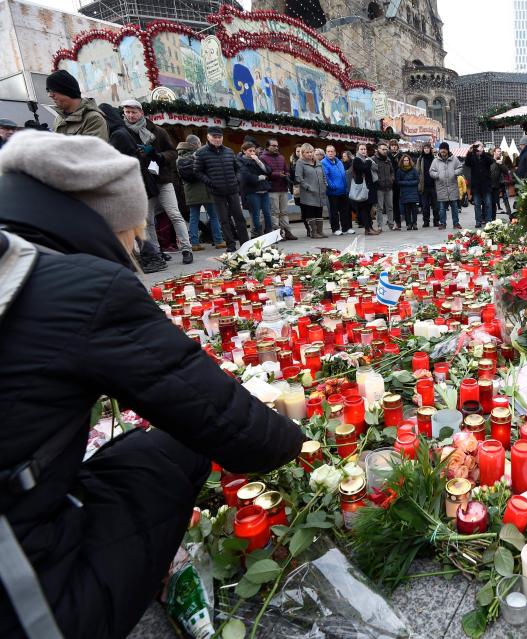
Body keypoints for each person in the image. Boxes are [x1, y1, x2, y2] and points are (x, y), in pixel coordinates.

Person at [0, 130, 304, 639]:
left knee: (127, 450)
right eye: (134, 235)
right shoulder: (80, 289)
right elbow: (227, 423)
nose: (137, 248)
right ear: (106, 222)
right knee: (174, 449)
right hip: (24, 604)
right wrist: (297, 436)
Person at [121, 99, 192, 264]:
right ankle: (157, 252)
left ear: (141, 113)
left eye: (134, 112)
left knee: (174, 213)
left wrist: (157, 155)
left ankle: (187, 248)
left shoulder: (157, 131)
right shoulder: (122, 132)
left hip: (162, 179)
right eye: (127, 112)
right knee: (148, 220)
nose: (130, 115)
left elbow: (173, 153)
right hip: (143, 182)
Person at [99, 103, 166, 274]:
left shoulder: (118, 135)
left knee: (132, 226)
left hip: (129, 186)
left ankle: (152, 258)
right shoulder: (121, 132)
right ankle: (147, 258)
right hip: (133, 184)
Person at [194, 126, 249, 251]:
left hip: (233, 190)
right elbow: (197, 172)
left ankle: (245, 244)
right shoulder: (201, 152)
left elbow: (239, 168)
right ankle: (231, 246)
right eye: (215, 137)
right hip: (217, 192)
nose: (217, 139)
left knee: (239, 218)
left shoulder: (229, 151)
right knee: (224, 220)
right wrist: (210, 182)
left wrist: (237, 179)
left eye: (220, 137)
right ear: (208, 137)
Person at [176, 134, 225, 251]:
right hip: (205, 189)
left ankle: (194, 243)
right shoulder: (199, 154)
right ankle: (218, 240)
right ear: (195, 144)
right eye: (199, 143)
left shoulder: (179, 157)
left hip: (190, 191)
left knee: (194, 218)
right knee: (214, 216)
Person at [45, 69, 108, 141]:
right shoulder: (59, 118)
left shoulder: (93, 119)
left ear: (66, 91)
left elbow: (91, 151)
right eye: (48, 91)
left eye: (52, 91)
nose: (50, 95)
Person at [260, 138, 297, 240]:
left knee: (284, 212)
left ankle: (287, 231)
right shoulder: (262, 158)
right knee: (274, 212)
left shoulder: (281, 157)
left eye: (277, 146)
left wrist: (287, 174)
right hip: (272, 189)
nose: (276, 147)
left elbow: (286, 169)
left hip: (283, 188)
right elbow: (264, 173)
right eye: (273, 146)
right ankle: (277, 233)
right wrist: (277, 174)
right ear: (268, 146)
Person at [295, 143, 329, 238]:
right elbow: (298, 177)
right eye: (307, 152)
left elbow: (323, 175)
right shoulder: (300, 162)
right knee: (310, 212)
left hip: (320, 192)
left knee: (319, 211)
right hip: (308, 193)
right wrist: (307, 187)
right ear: (303, 153)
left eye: (311, 152)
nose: (310, 154)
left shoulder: (318, 162)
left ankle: (320, 231)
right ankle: (313, 232)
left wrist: (325, 184)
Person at [238, 141, 273, 236]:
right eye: (250, 151)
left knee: (267, 213)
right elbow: (246, 176)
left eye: (254, 150)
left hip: (264, 190)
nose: (253, 153)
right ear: (244, 151)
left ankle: (270, 233)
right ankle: (259, 234)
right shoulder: (240, 161)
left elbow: (268, 171)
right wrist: (260, 177)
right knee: (255, 215)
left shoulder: (258, 159)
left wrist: (258, 161)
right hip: (252, 191)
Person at [430, 141, 463, 230]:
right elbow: (431, 172)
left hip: (452, 187)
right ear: (439, 150)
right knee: (441, 208)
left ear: (448, 150)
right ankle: (442, 223)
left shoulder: (454, 159)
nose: (443, 151)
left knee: (455, 208)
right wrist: (437, 175)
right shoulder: (435, 161)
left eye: (445, 149)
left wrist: (454, 173)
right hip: (441, 188)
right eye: (441, 149)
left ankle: (456, 223)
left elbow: (460, 168)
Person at [321, 145, 353, 235]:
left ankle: (345, 228)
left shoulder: (339, 162)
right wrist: (332, 186)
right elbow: (326, 177)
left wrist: (345, 186)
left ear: (335, 152)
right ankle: (335, 229)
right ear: (326, 153)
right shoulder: (323, 163)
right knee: (334, 211)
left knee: (345, 210)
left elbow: (343, 175)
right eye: (328, 151)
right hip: (333, 191)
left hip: (343, 190)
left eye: (332, 151)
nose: (330, 153)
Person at [350, 144, 380, 236]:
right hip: (362, 188)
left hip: (369, 187)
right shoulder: (357, 160)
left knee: (369, 209)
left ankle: (370, 227)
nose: (363, 151)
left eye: (364, 149)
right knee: (364, 210)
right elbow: (365, 168)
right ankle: (367, 229)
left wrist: (368, 161)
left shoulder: (368, 159)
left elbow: (376, 168)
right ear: (358, 150)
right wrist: (368, 161)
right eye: (361, 149)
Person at [464, 141, 494, 227]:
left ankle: (488, 221)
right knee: (477, 204)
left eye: (479, 146)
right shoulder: (472, 156)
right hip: (476, 186)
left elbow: (491, 161)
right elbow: (467, 163)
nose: (477, 148)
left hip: (486, 185)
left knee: (488, 203)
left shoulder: (487, 155)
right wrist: (469, 152)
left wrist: (482, 153)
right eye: (476, 146)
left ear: (483, 147)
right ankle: (478, 221)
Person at [372, 141, 394, 231]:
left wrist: (392, 179)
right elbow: (372, 173)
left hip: (389, 187)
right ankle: (380, 225)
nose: (385, 151)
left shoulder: (388, 159)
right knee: (380, 208)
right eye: (383, 149)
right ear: (378, 149)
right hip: (379, 188)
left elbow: (392, 171)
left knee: (390, 207)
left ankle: (391, 224)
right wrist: (377, 181)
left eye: (386, 149)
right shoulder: (374, 159)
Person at [396, 153, 420, 230]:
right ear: (402, 161)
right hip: (404, 192)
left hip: (413, 192)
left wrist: (406, 183)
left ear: (410, 161)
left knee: (414, 209)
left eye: (407, 160)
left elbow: (417, 180)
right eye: (404, 160)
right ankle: (409, 224)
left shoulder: (414, 170)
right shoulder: (399, 170)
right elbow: (398, 181)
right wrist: (409, 183)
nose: (406, 161)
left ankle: (415, 223)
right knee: (407, 209)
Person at [417, 142, 439, 227]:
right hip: (424, 186)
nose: (426, 149)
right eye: (425, 148)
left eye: (427, 148)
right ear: (423, 149)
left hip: (434, 185)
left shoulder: (434, 159)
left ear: (430, 149)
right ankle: (426, 221)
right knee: (425, 206)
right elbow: (418, 171)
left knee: (436, 205)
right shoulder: (420, 159)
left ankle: (436, 221)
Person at [490, 148, 513, 218]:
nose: (500, 153)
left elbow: (506, 171)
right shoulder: (491, 161)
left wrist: (500, 164)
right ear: (494, 152)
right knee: (493, 202)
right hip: (493, 184)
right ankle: (491, 217)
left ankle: (510, 215)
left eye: (500, 151)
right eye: (498, 151)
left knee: (505, 199)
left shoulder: (501, 161)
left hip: (501, 183)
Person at [388, 139, 402, 230]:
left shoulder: (400, 155)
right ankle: (391, 221)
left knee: (396, 203)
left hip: (398, 182)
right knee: (390, 204)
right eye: (392, 145)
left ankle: (398, 222)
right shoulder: (387, 155)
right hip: (389, 182)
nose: (393, 146)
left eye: (395, 145)